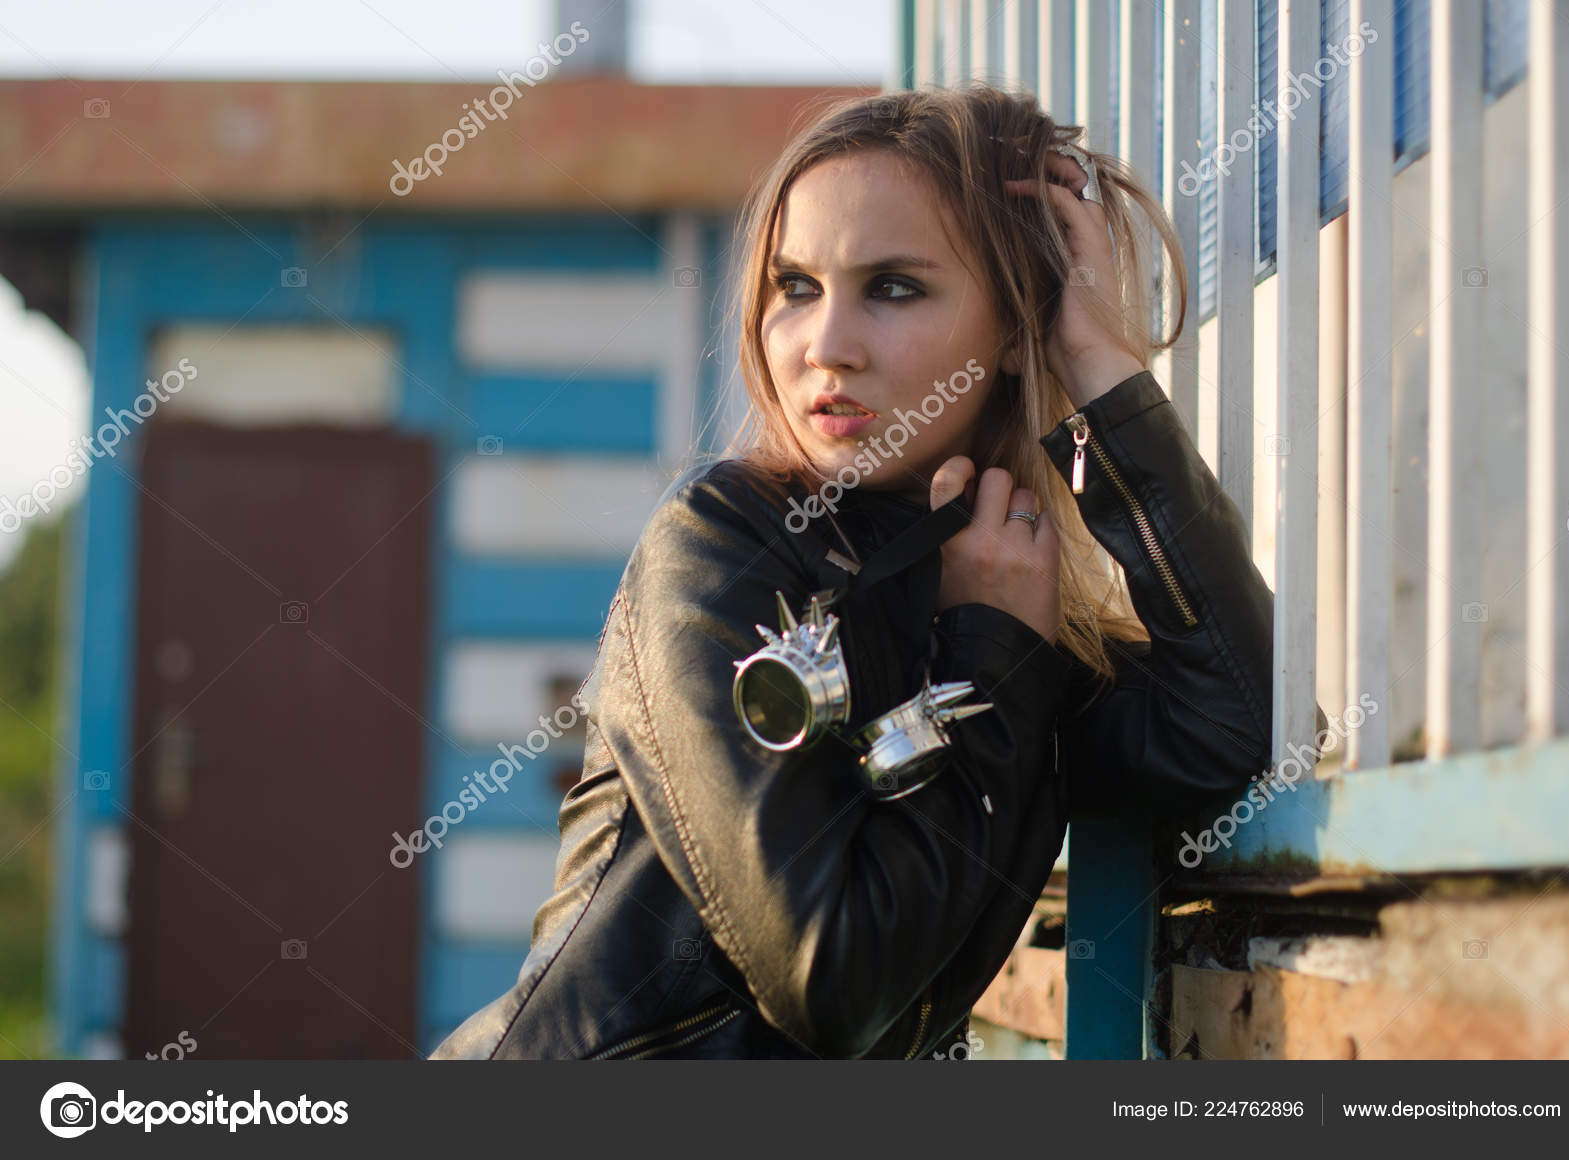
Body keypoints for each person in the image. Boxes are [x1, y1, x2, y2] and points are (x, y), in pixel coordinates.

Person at [429, 82, 1317, 1061]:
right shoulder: (721, 545)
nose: (827, 345)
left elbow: (1242, 715)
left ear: (1015, 333)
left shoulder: (1003, 594)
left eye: (893, 287)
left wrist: (1099, 365)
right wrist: (986, 663)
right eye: (795, 287)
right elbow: (833, 976)